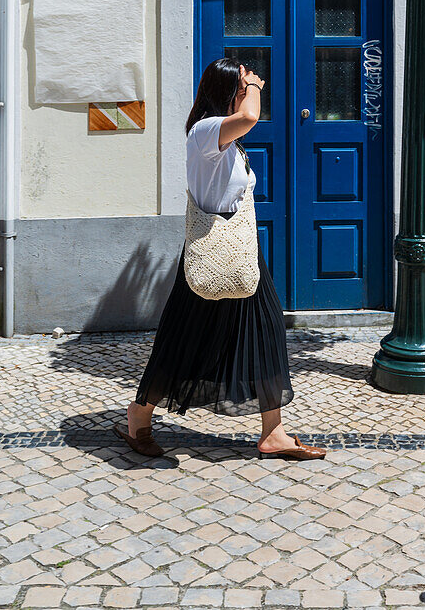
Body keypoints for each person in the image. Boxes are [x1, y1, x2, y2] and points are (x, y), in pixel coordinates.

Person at [115, 57, 326, 461]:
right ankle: (138, 416)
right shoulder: (205, 132)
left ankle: (274, 432)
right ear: (228, 92)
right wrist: (256, 86)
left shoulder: (223, 139)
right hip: (210, 255)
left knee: (266, 333)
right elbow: (249, 117)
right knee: (183, 339)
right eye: (241, 86)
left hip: (242, 254)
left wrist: (247, 86)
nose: (248, 91)